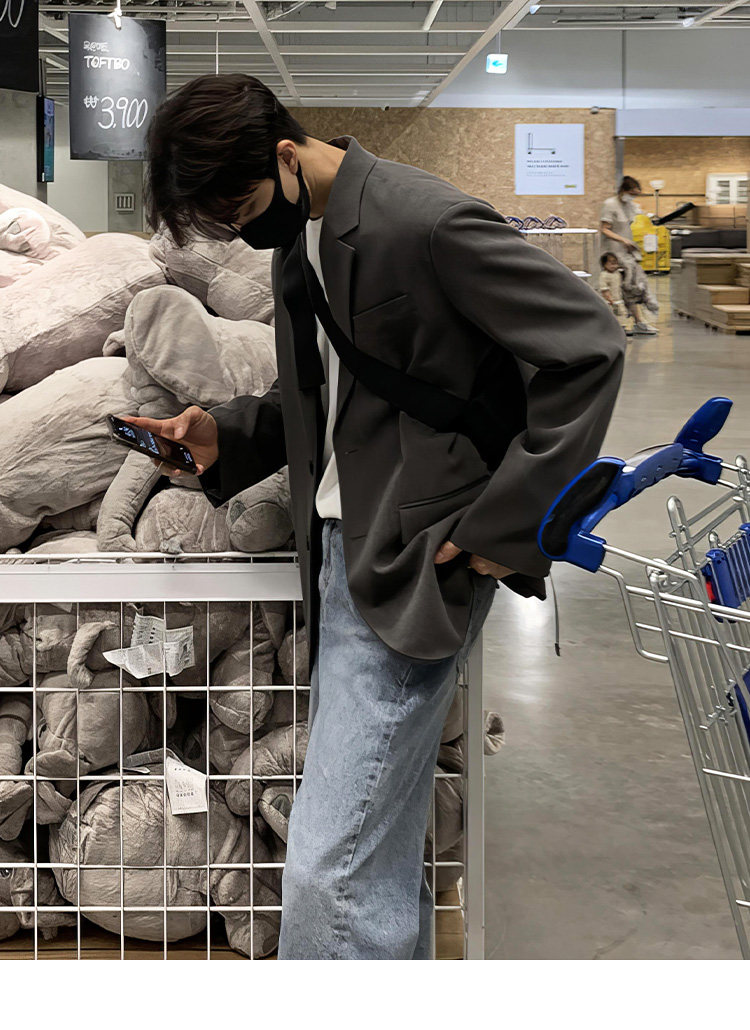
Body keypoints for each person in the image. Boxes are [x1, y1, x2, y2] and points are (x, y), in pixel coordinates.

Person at [121, 74, 626, 960]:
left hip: (415, 560)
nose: (241, 231)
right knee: (375, 857)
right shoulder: (301, 242)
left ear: (285, 155)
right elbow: (334, 394)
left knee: (332, 868)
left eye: (241, 208)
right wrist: (223, 436)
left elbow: (587, 346)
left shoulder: (423, 220)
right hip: (338, 555)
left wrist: (509, 524)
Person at [600, 176, 659, 336]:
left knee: (633, 287)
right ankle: (621, 323)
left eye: (636, 194)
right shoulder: (610, 205)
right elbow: (605, 229)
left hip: (627, 253)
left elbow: (637, 220)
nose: (633, 196)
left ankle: (639, 322)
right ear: (623, 190)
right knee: (616, 290)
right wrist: (622, 240)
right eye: (632, 193)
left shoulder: (630, 206)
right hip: (613, 253)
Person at [599, 251, 632, 336]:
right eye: (611, 264)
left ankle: (622, 328)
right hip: (610, 301)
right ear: (604, 264)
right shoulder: (604, 275)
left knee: (622, 314)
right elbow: (604, 289)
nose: (614, 266)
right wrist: (610, 299)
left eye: (616, 264)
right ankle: (609, 329)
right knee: (610, 315)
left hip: (618, 299)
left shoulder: (617, 274)